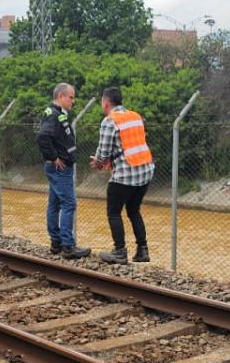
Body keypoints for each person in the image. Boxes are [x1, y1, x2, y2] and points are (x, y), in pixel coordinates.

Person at [91, 86, 153, 264]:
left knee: (113, 212)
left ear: (106, 102)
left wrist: (97, 162)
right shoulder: (135, 116)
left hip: (125, 174)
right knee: (134, 210)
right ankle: (142, 250)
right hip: (145, 172)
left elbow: (103, 154)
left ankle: (120, 251)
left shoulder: (110, 121)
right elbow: (128, 145)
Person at [37, 82, 89, 259]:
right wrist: (53, 157)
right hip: (61, 168)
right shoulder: (54, 114)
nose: (72, 101)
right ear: (61, 96)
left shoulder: (55, 113)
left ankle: (56, 242)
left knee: (55, 203)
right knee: (69, 203)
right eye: (71, 97)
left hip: (59, 167)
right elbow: (43, 136)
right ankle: (68, 245)